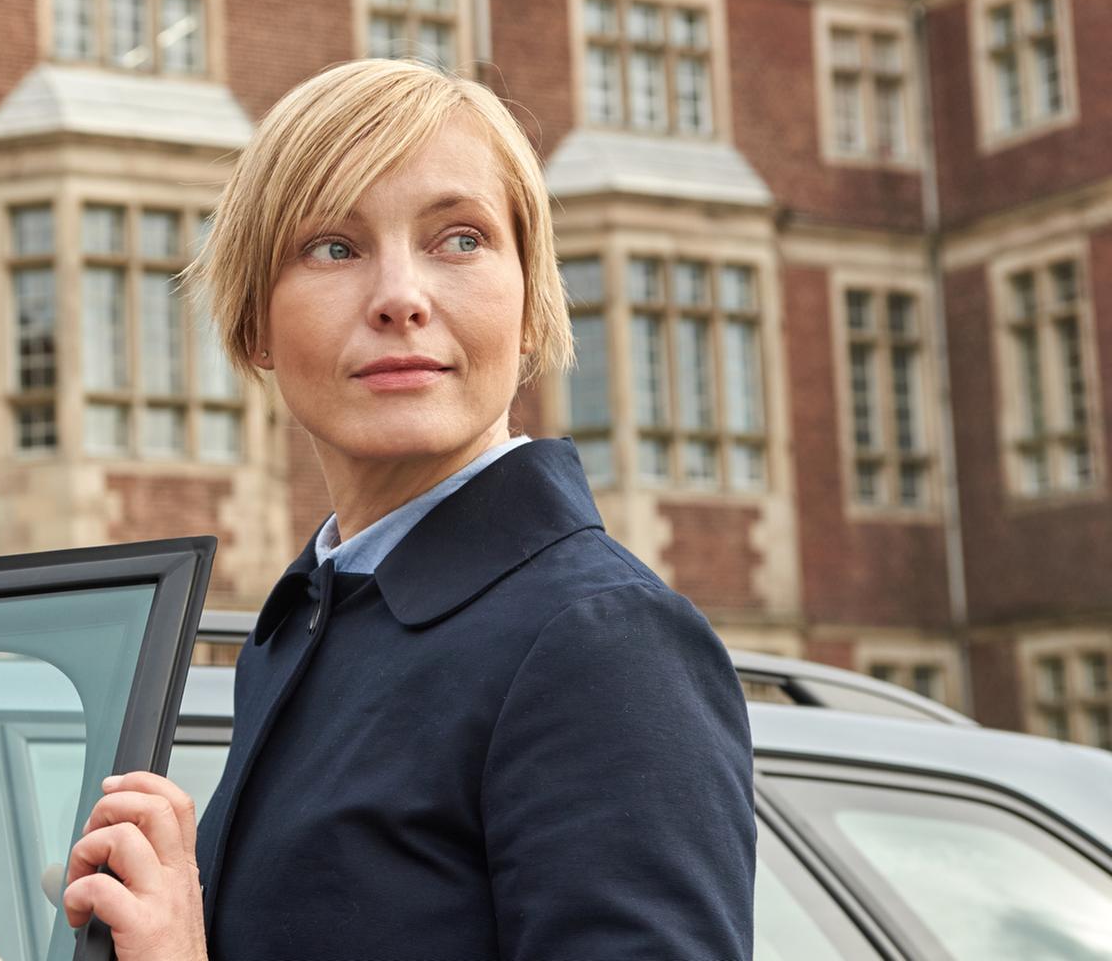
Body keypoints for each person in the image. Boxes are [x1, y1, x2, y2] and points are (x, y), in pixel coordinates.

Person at [60, 58, 756, 960]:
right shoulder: (309, 626)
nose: (400, 298)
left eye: (459, 239)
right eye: (334, 247)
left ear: (532, 309)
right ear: (254, 326)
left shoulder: (600, 640)